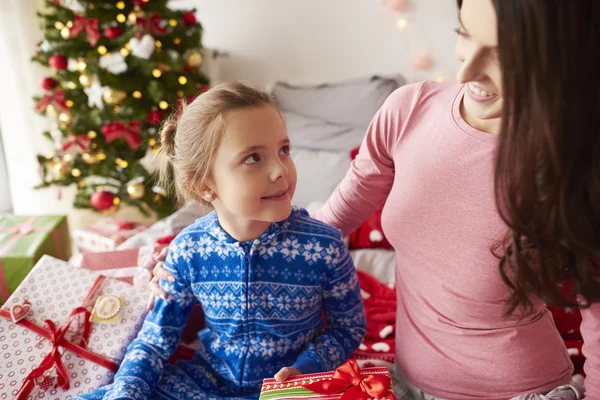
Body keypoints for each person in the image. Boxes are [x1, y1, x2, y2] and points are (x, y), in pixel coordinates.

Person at [149, 0, 600, 399]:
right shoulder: (409, 111)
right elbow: (326, 225)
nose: (465, 72)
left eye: (504, 55)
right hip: (403, 383)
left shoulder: (574, 166)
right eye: (465, 34)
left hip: (519, 389)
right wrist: (191, 259)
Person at [78, 82, 366, 400]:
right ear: (204, 185)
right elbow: (155, 340)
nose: (280, 170)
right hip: (206, 380)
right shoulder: (188, 249)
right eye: (254, 157)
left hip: (287, 389)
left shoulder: (324, 246)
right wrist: (127, 391)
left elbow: (348, 328)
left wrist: (306, 369)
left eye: (284, 150)